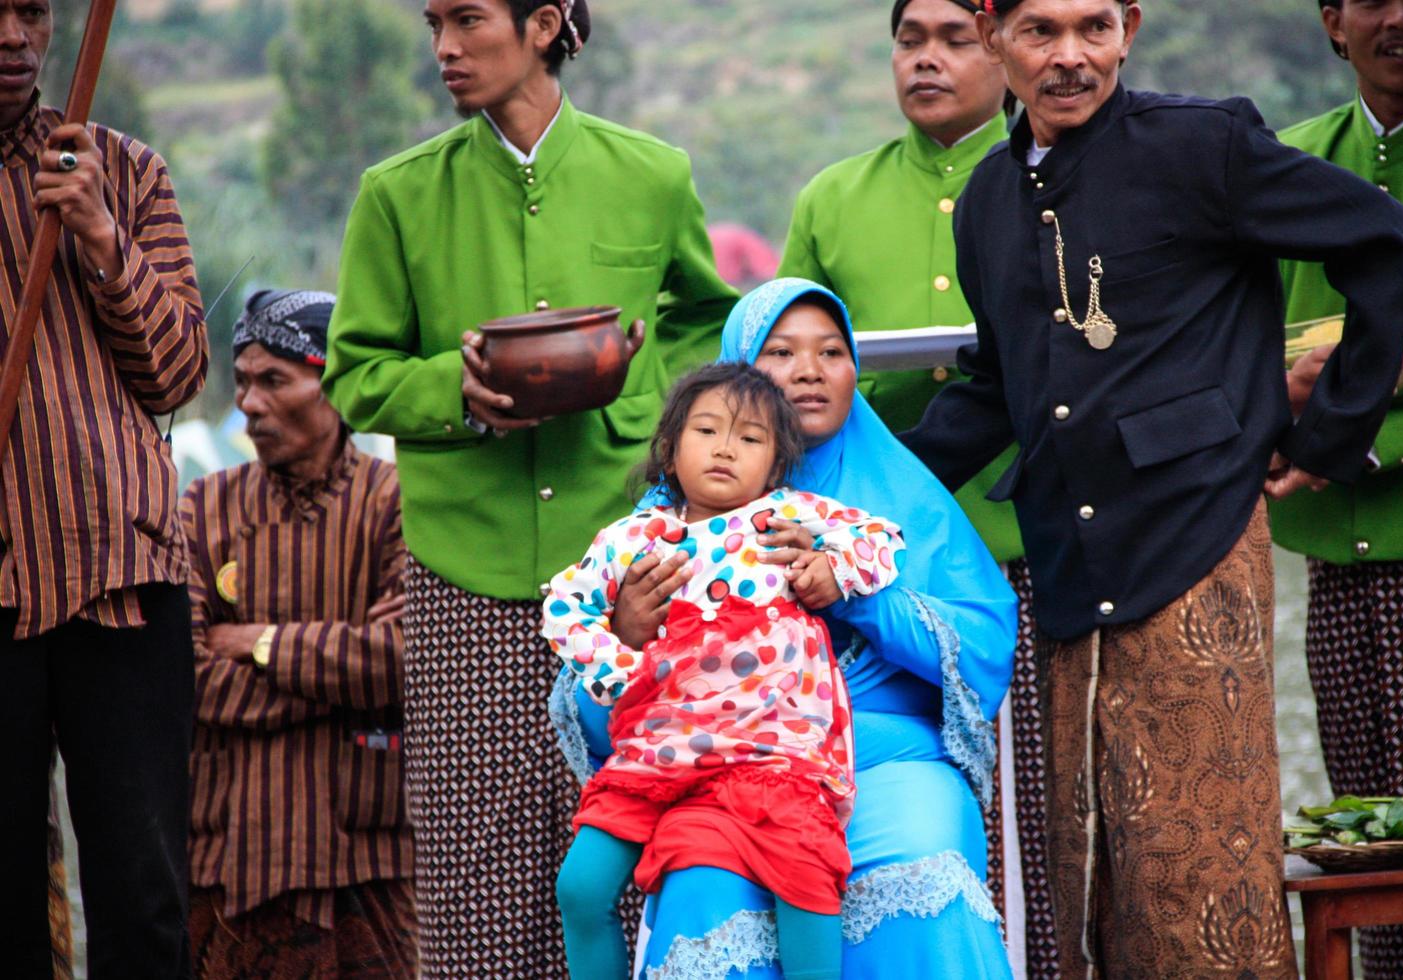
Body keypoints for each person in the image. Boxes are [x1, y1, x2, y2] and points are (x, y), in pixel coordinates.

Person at [900, 0, 1403, 973]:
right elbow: (996, 382)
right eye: (1041, 30)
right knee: (1093, 873)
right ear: (991, 28)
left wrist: (1330, 432)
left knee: (1202, 869)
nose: (1069, 56)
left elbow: (1379, 237)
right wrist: (858, 491)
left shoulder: (1202, 145)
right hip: (1066, 565)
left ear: (1131, 27)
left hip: (1197, 545)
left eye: (1093, 26)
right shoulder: (988, 203)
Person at [322, 1, 738, 974]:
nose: (444, 49)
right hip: (466, 577)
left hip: (630, 567)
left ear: (546, 22)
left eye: (468, 20)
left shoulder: (651, 173)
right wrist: (460, 395)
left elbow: (707, 321)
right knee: (480, 884)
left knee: (643, 855)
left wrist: (643, 398)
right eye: (434, 24)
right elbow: (354, 373)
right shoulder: (398, 194)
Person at [554, 278, 1017, 978]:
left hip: (888, 763)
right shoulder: (664, 523)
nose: (808, 370)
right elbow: (594, 717)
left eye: (832, 351)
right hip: (710, 773)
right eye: (780, 352)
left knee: (928, 869)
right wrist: (632, 633)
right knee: (701, 898)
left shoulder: (899, 496)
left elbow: (980, 649)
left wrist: (852, 594)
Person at [777, 1, 1055, 971]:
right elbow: (785, 378)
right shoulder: (835, 197)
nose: (928, 59)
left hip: (1022, 544)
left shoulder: (1044, 183)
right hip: (859, 567)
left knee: (1035, 818)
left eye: (955, 38)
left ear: (1004, 49)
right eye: (910, 39)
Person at [550, 361, 906, 980]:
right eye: (707, 430)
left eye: (750, 439)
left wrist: (831, 571)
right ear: (670, 447)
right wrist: (617, 669)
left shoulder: (784, 519)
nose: (724, 449)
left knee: (804, 879)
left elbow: (881, 538)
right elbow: (564, 606)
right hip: (659, 752)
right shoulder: (634, 538)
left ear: (775, 464)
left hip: (773, 753)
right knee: (580, 889)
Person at [0, 0, 209, 974]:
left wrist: (93, 229)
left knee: (143, 889)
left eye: (32, 11)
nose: (13, 36)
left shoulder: (124, 170)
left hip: (119, 570)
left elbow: (177, 374)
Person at [1272, 0, 1403, 973]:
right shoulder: (1286, 164)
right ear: (1330, 24)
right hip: (1330, 539)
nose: (1402, 17)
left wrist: (1354, 436)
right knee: (1368, 818)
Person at [182, 290, 416, 977]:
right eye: (244, 381)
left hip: (363, 859)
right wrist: (339, 679)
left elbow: (401, 658)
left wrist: (260, 646)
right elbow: (184, 676)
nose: (249, 403)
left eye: (275, 380)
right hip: (227, 854)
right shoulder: (202, 505)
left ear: (334, 384)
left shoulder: (396, 500)